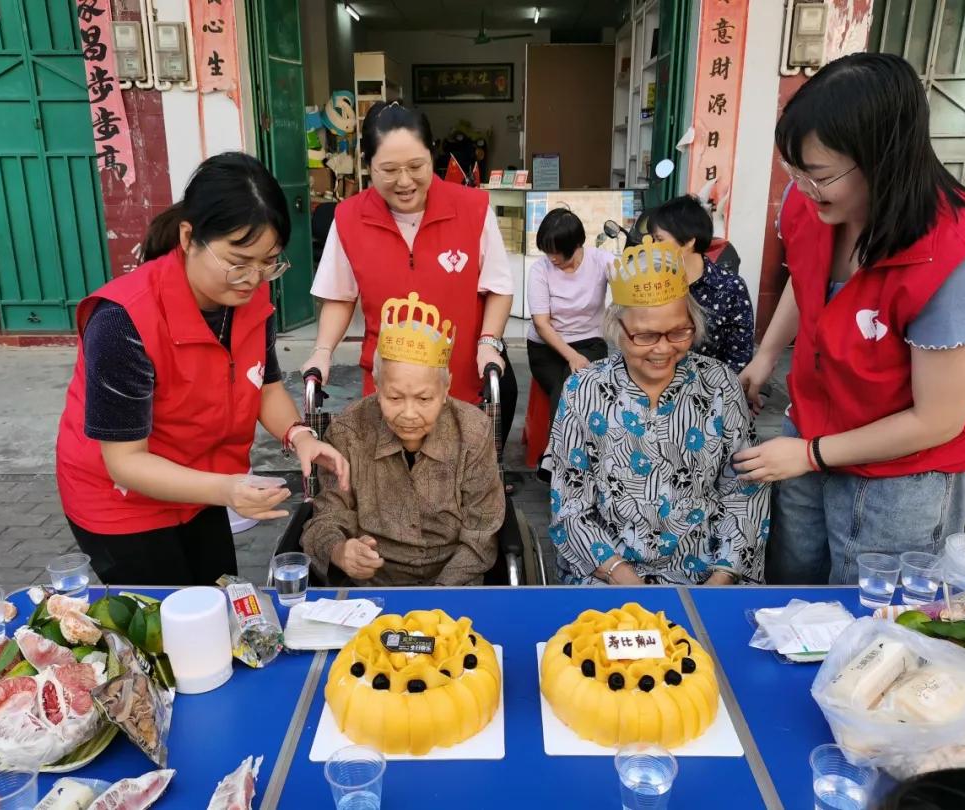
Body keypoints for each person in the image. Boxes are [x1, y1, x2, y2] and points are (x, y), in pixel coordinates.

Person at [733, 53, 965, 585]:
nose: (802, 189)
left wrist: (811, 455)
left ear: (883, 159)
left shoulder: (956, 261)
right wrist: (766, 355)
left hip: (901, 477)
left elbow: (937, 419)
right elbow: (808, 276)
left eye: (817, 175)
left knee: (873, 620)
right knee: (793, 591)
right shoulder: (814, 201)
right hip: (811, 430)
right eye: (794, 170)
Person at [56, 152, 350, 586]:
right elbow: (125, 463)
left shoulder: (251, 303)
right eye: (238, 262)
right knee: (168, 629)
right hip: (120, 503)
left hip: (202, 487)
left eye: (268, 262)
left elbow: (264, 386)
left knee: (221, 600)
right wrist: (227, 490)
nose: (252, 278)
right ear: (189, 236)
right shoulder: (124, 321)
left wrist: (299, 435)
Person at [303, 102, 517, 469]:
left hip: (459, 383)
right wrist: (323, 350)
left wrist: (488, 343)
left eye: (416, 167)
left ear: (432, 155)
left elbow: (497, 286)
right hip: (389, 389)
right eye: (388, 170)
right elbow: (340, 295)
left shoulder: (472, 208)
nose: (404, 182)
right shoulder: (349, 217)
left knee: (458, 483)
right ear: (368, 165)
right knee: (389, 485)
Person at [549, 237, 769, 586]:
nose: (663, 349)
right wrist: (631, 586)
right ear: (617, 330)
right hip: (610, 576)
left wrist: (720, 579)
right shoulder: (583, 390)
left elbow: (744, 490)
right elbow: (571, 507)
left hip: (707, 575)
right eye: (646, 336)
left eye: (679, 332)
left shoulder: (720, 384)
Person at [301, 292, 505, 586]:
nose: (409, 414)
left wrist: (438, 598)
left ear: (446, 387)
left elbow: (481, 532)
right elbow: (328, 515)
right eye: (394, 397)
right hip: (374, 583)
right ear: (377, 385)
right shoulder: (348, 431)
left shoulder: (474, 431)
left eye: (424, 398)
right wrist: (340, 551)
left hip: (454, 584)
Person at [645, 195, 754, 373]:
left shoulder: (730, 287)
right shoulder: (648, 283)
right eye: (652, 240)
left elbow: (739, 355)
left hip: (711, 387)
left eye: (659, 240)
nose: (652, 247)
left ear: (689, 241)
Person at [526, 208, 612, 416]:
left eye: (557, 252)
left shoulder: (601, 261)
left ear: (576, 245)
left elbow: (629, 287)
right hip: (546, 348)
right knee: (567, 391)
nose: (552, 258)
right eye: (547, 251)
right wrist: (572, 356)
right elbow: (541, 324)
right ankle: (560, 449)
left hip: (589, 342)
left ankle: (560, 448)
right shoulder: (540, 270)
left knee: (575, 389)